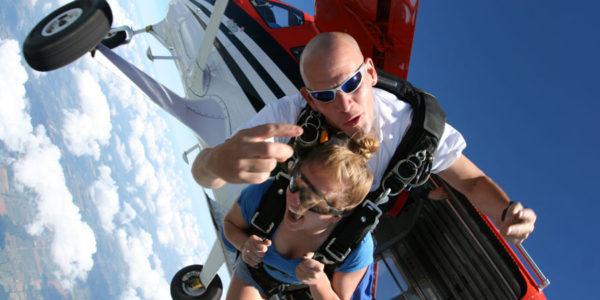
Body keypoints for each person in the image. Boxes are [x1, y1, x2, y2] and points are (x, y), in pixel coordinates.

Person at [193, 32, 536, 245]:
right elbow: (203, 172)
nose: (344, 104)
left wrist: (505, 211)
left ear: (370, 73)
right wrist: (216, 162)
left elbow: (473, 182)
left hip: (346, 230)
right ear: (308, 99)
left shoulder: (417, 130)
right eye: (325, 95)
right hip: (295, 218)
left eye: (351, 84)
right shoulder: (290, 117)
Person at [223, 135, 379, 299]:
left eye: (310, 199)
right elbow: (230, 223)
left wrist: (318, 282)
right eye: (295, 184)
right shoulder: (268, 197)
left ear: (337, 214)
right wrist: (244, 245)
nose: (294, 200)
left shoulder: (354, 244)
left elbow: (339, 296)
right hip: (255, 272)